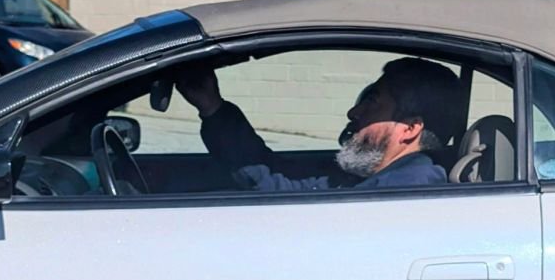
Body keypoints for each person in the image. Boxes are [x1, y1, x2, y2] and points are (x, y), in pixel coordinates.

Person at [176, 57, 468, 192]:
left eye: (373, 102)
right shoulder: (372, 178)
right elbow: (278, 183)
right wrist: (212, 106)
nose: (354, 112)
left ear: (409, 128)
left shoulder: (403, 194)